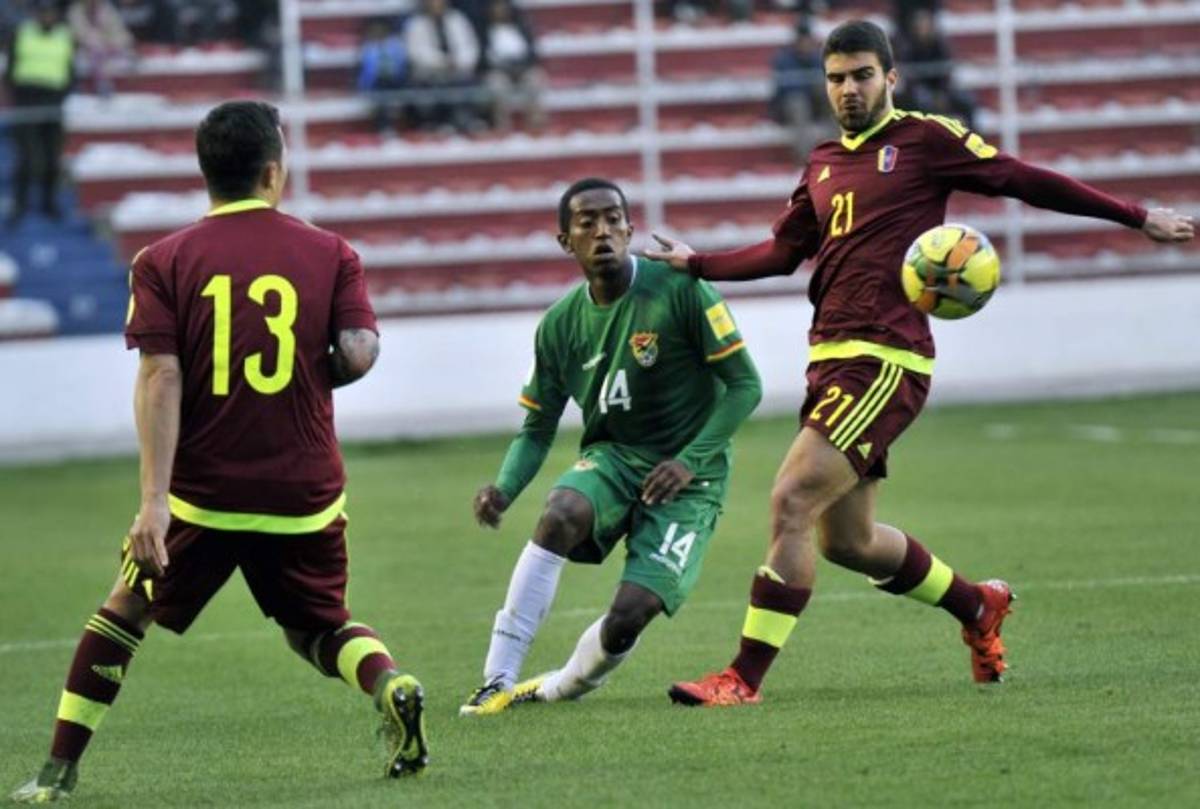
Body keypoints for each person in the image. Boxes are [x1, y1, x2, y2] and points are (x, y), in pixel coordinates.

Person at [647, 19, 1195, 706]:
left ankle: (742, 678)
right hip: (830, 358)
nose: (849, 89)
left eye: (862, 75)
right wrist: (698, 263)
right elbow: (784, 251)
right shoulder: (822, 162)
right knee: (848, 541)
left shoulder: (925, 139)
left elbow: (1021, 178)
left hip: (883, 358)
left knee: (790, 500)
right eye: (837, 78)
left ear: (891, 77)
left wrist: (1135, 215)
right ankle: (977, 605)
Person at [9, 101, 429, 803]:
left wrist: (153, 504)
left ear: (206, 172)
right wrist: (315, 372)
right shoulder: (331, 252)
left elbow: (161, 376)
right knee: (318, 625)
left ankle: (57, 771)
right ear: (273, 171)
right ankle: (389, 681)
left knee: (124, 610)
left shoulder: (162, 260)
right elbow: (359, 351)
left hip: (203, 495)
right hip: (303, 490)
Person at [460, 178, 763, 715]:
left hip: (692, 477)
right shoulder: (559, 325)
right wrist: (504, 489)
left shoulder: (682, 290)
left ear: (629, 229)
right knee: (561, 512)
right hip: (615, 457)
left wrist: (689, 462)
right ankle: (496, 679)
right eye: (587, 222)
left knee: (630, 616)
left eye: (613, 219)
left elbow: (746, 386)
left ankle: (552, 687)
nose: (602, 231)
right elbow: (537, 427)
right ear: (566, 241)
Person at [4, 0, 73, 226]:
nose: (47, 16)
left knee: (52, 158)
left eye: (50, 12)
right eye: (43, 12)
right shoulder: (22, 33)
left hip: (54, 102)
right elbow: (11, 68)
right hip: (27, 101)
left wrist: (63, 95)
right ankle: (20, 204)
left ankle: (49, 203)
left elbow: (69, 69)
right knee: (28, 158)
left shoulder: (65, 36)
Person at [403, 0, 485, 132]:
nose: (437, 4)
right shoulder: (416, 24)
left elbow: (471, 46)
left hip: (459, 69)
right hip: (430, 72)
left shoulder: (458, 19)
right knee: (436, 83)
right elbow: (416, 53)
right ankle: (440, 122)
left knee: (468, 81)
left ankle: (467, 119)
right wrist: (444, 62)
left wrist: (460, 62)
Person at [770, 19, 835, 164]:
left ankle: (835, 152)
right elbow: (786, 90)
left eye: (808, 40)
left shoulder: (819, 57)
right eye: (802, 40)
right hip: (792, 106)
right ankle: (807, 159)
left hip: (815, 103)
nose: (805, 43)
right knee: (798, 104)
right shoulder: (784, 58)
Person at [478, 0, 545, 132]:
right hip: (499, 70)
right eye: (497, 9)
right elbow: (483, 58)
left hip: (522, 68)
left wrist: (523, 65)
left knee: (535, 79)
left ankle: (535, 124)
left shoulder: (521, 27)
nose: (500, 12)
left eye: (503, 9)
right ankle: (502, 126)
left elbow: (533, 54)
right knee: (496, 84)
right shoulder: (484, 31)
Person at [67, 0, 136, 96]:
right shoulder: (76, 11)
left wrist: (114, 42)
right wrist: (98, 41)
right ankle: (100, 85)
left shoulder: (107, 8)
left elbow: (118, 30)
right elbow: (79, 34)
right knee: (90, 54)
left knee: (128, 55)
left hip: (108, 47)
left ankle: (127, 89)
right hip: (86, 50)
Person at [357, 17, 410, 134]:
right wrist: (363, 87)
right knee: (381, 95)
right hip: (377, 82)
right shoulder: (368, 48)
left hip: (397, 79)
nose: (378, 33)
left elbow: (403, 65)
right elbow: (364, 72)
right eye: (375, 31)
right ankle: (384, 127)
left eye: (381, 30)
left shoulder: (396, 45)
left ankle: (413, 127)